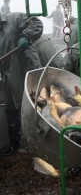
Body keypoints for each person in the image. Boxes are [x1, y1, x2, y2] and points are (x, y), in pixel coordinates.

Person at [0, 12, 43, 156]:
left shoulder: (15, 18)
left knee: (31, 106)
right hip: (7, 75)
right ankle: (15, 146)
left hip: (25, 68)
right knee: (11, 109)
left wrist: (26, 35)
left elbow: (36, 23)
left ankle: (40, 146)